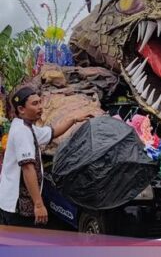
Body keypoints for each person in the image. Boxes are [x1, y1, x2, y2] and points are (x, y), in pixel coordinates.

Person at [0, 86, 94, 227]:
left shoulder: (25, 126)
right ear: (21, 109)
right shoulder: (22, 133)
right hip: (17, 206)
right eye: (35, 104)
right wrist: (38, 205)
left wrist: (74, 120)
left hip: (13, 203)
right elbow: (27, 168)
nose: (40, 107)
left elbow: (52, 133)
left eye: (40, 102)